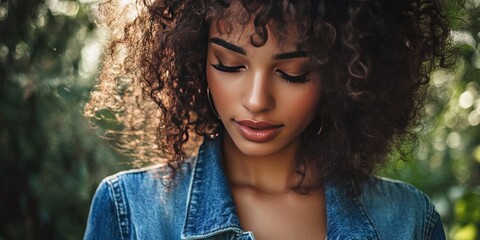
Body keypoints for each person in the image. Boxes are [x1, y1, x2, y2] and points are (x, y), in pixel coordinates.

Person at [84, 0, 452, 239]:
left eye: (293, 73)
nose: (257, 101)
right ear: (196, 61)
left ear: (344, 76)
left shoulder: (407, 222)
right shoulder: (129, 212)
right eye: (229, 65)